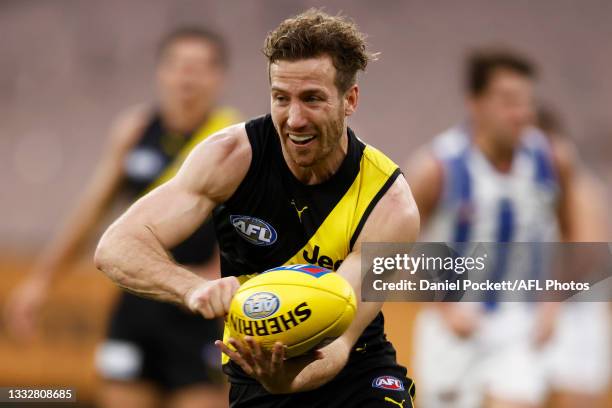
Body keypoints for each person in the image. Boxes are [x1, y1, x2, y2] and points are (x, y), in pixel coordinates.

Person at [94, 9, 420, 408]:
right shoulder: (231, 157)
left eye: (313, 99)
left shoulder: (389, 203)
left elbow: (341, 343)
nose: (294, 119)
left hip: (357, 374)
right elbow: (115, 247)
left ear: (349, 99)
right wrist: (193, 288)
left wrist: (289, 378)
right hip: (256, 374)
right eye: (281, 98)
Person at [4, 27, 238, 408]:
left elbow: (249, 226)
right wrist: (41, 282)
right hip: (137, 303)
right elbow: (92, 212)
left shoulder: (232, 143)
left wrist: (219, 276)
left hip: (197, 307)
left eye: (198, 68)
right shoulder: (134, 132)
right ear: (161, 72)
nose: (187, 78)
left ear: (218, 77)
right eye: (177, 66)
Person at [406, 49, 580, 408]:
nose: (523, 113)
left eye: (527, 101)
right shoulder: (437, 167)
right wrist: (443, 308)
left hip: (520, 323)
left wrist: (552, 302)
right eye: (509, 101)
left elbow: (571, 234)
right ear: (476, 104)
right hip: (454, 329)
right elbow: (399, 243)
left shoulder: (552, 159)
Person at [536, 105, 611, 408]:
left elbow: (585, 254)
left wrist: (550, 302)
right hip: (564, 311)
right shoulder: (550, 187)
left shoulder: (577, 186)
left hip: (577, 314)